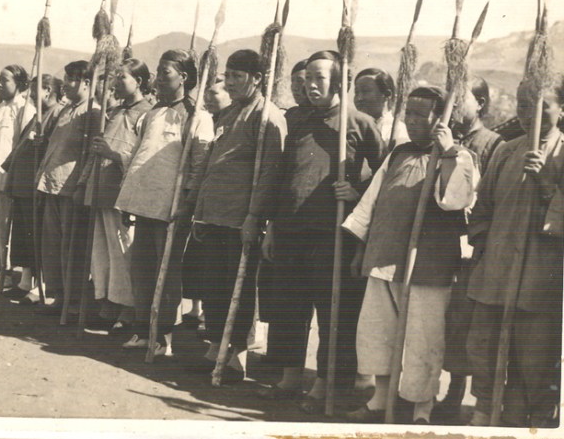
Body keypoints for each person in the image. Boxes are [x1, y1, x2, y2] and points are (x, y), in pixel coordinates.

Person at [342, 86, 478, 424]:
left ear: (441, 119)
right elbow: (370, 204)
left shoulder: (459, 156)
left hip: (428, 266)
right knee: (379, 333)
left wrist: (447, 154)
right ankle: (380, 400)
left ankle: (421, 409)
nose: (412, 120)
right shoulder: (398, 152)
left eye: (422, 114)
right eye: (409, 113)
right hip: (384, 257)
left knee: (423, 338)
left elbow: (455, 199)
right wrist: (362, 250)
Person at [258, 51, 383, 407]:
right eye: (307, 78)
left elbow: (383, 179)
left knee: (333, 314)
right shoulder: (297, 121)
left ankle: (327, 383)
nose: (311, 85)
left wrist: (357, 191)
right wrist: (272, 228)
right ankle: (290, 377)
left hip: (333, 236)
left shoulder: (358, 123)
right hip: (291, 231)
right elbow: (285, 178)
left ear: (339, 83)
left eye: (319, 79)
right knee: (289, 308)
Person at [465, 77, 564, 428]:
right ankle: (484, 411)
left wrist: (548, 184)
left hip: (541, 277)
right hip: (496, 270)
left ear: (562, 109)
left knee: (535, 358)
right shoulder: (507, 149)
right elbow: (483, 208)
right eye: (522, 105)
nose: (529, 115)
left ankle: (536, 419)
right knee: (484, 346)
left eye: (542, 107)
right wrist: (482, 245)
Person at [185, 49, 286, 382]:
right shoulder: (228, 114)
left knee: (238, 289)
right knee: (213, 284)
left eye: (236, 76)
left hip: (241, 219)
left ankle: (237, 357)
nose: (229, 82)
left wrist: (254, 217)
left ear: (257, 79)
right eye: (227, 75)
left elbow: (271, 172)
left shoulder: (268, 116)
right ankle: (216, 346)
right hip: (214, 214)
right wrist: (199, 212)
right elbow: (212, 164)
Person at [115, 49, 213, 356]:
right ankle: (143, 329)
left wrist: (187, 204)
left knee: (166, 272)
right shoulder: (152, 113)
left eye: (165, 72)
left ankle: (163, 336)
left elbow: (198, 166)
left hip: (171, 208)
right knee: (141, 269)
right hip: (144, 204)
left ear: (183, 77)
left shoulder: (197, 116)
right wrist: (127, 201)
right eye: (157, 71)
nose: (158, 78)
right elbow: (137, 158)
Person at [438, 78, 504, 422]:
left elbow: (488, 197)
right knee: (444, 320)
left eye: (460, 98)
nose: (452, 103)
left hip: (471, 246)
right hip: (439, 243)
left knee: (466, 322)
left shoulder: (493, 143)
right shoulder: (444, 137)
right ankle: (441, 387)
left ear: (479, 102)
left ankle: (457, 391)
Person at [81, 58, 153, 335]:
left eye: (122, 77)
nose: (116, 83)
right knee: (102, 253)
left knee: (124, 253)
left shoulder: (146, 113)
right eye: (115, 78)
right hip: (100, 191)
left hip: (122, 194)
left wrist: (113, 154)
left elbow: (140, 157)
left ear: (140, 81)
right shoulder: (112, 111)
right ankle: (107, 304)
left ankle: (128, 309)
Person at [35, 61, 98, 315]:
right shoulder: (66, 110)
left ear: (85, 82)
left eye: (71, 80)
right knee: (52, 244)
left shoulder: (92, 112)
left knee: (71, 247)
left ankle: (73, 300)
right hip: (51, 184)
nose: (65, 85)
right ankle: (58, 294)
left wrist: (82, 183)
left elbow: (93, 154)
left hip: (71, 187)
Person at [2, 74, 63, 304]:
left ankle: (42, 285)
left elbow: (55, 146)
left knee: (38, 235)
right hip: (22, 184)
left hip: (36, 185)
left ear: (47, 90)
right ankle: (25, 280)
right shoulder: (38, 114)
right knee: (23, 234)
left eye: (35, 89)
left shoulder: (57, 113)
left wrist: (43, 143)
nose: (30, 94)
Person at [181, 73, 232, 331]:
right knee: (198, 258)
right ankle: (198, 308)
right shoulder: (211, 119)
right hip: (203, 202)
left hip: (223, 207)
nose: (208, 98)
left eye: (215, 93)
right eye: (207, 93)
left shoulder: (229, 122)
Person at [0, 65, 35, 291]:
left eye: (5, 81)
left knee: (5, 227)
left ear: (19, 84)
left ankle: (6, 273)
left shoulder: (25, 110)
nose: (0, 84)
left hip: (7, 176)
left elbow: (24, 146)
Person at [354, 67, 409, 146]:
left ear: (387, 94)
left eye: (365, 91)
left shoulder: (400, 131)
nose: (359, 98)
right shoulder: (352, 129)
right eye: (356, 92)